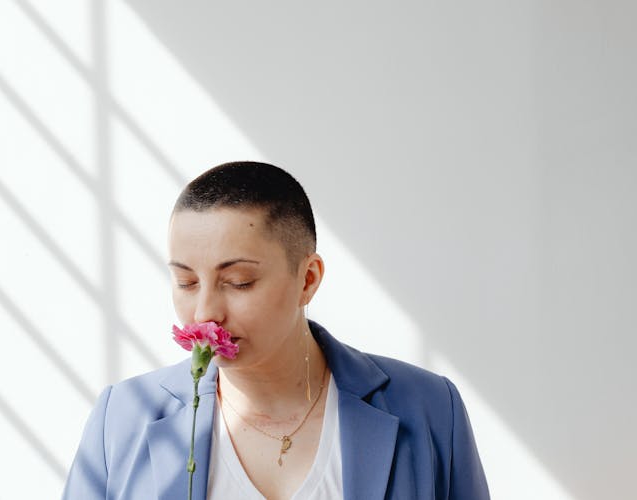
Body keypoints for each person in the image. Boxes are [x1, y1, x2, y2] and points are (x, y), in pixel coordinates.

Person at [62, 161, 490, 500]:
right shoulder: (121, 418)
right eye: (187, 282)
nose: (205, 312)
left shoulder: (430, 408)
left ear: (307, 279)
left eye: (239, 282)